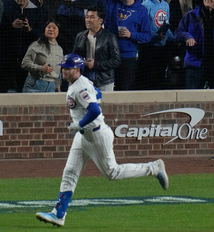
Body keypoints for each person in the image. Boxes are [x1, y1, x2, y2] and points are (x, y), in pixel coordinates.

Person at [35, 53, 169, 227]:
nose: (63, 71)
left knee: (113, 173)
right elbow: (98, 94)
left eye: (67, 68)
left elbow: (95, 111)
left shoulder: (80, 86)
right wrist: (80, 126)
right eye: (63, 67)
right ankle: (58, 214)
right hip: (83, 136)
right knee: (70, 173)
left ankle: (154, 168)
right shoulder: (78, 82)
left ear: (76, 69)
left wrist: (79, 124)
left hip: (96, 134)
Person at [93, 0, 151, 91]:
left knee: (123, 90)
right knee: (105, 89)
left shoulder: (141, 10)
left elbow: (147, 35)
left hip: (128, 57)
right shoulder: (113, 2)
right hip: (108, 55)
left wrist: (131, 35)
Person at [72, 7, 121, 91]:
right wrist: (81, 61)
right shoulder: (80, 36)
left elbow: (116, 60)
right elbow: (74, 56)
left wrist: (95, 65)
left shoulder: (109, 37)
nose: (88, 20)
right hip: (84, 78)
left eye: (92, 17)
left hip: (104, 80)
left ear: (100, 21)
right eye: (87, 17)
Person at [21, 20, 64, 92]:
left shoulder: (60, 49)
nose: (51, 29)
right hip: (35, 84)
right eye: (48, 27)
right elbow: (25, 63)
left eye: (54, 28)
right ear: (44, 29)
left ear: (58, 31)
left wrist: (57, 86)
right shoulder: (36, 45)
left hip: (51, 87)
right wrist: (40, 68)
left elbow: (58, 71)